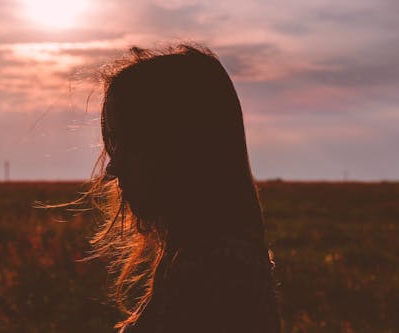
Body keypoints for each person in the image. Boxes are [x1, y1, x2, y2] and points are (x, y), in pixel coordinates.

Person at [84, 44, 281, 333]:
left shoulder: (217, 272)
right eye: (113, 142)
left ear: (187, 146)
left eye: (135, 140)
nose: (113, 168)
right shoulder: (204, 260)